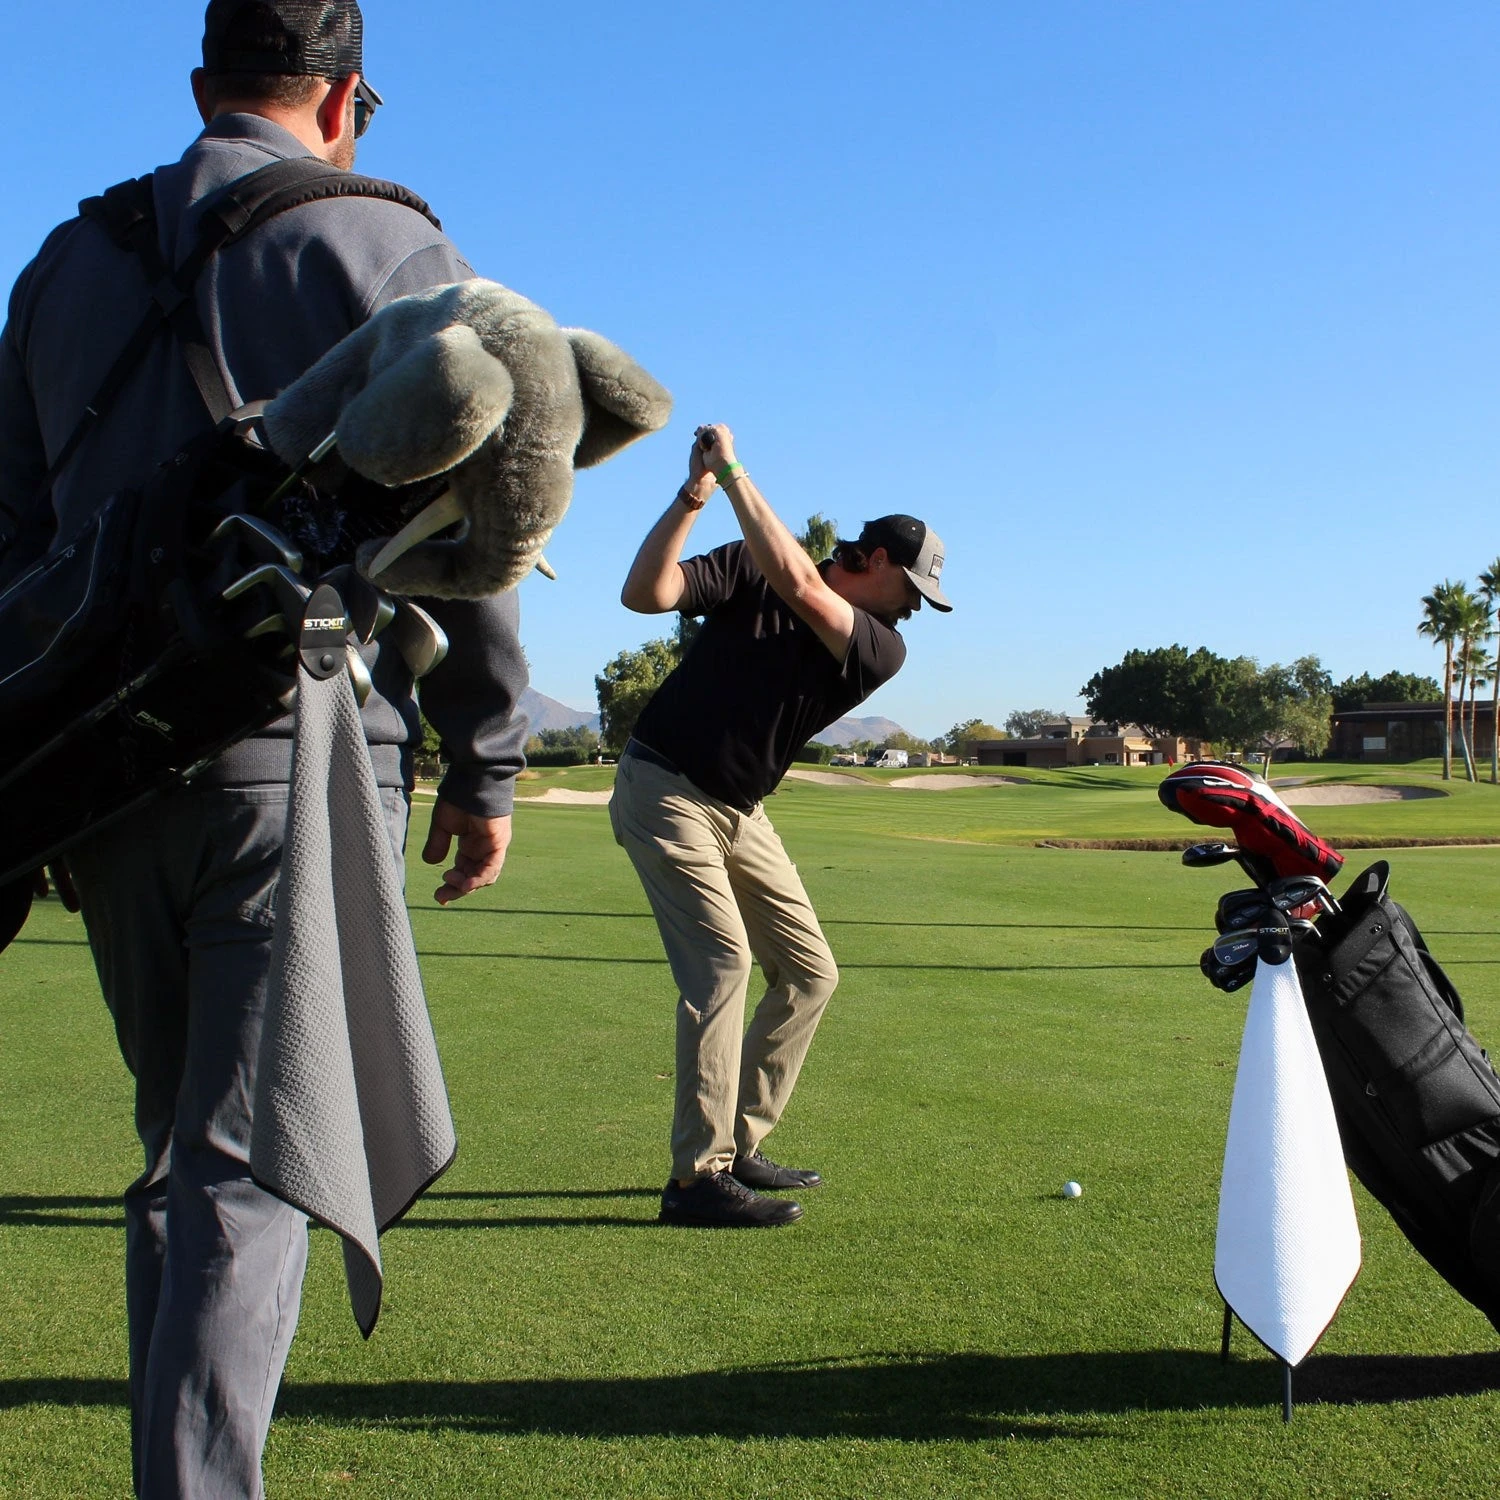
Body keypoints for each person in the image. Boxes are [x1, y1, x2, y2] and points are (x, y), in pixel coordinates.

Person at [0, 4, 528, 1494]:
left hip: (97, 769)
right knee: (247, 1171)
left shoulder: (63, 262)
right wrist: (486, 759)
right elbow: (482, 520)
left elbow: (15, 541)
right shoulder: (384, 242)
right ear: (349, 98)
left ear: (202, 85)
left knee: (185, 1154)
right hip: (298, 747)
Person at [611, 422, 952, 1228]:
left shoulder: (880, 647)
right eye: (912, 589)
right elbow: (645, 595)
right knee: (722, 965)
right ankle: (695, 1180)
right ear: (874, 560)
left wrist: (733, 470)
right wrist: (693, 495)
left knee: (808, 972)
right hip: (665, 788)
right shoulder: (747, 564)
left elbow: (800, 582)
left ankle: (739, 1143)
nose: (916, 608)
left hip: (742, 810)